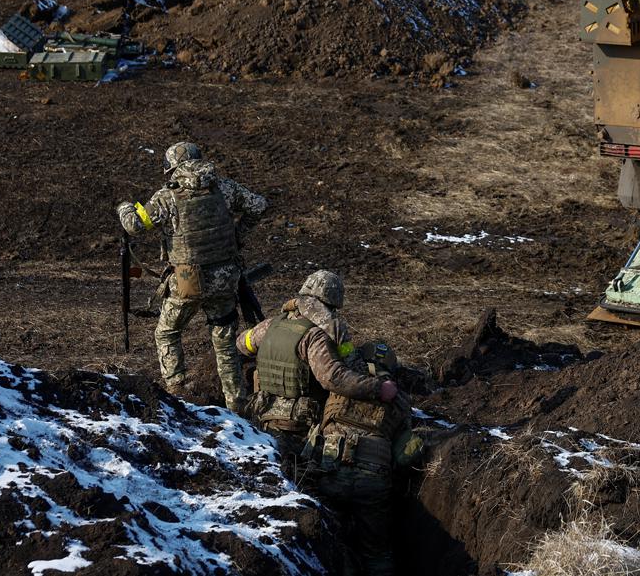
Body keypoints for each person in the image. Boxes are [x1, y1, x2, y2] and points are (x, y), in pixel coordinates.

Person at [116, 141, 266, 408]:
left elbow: (135, 225)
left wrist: (124, 207)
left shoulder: (167, 197)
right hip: (225, 276)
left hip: (187, 280)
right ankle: (236, 403)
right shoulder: (225, 188)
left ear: (172, 167)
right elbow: (259, 205)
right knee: (224, 342)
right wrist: (237, 236)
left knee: (167, 333)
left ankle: (177, 393)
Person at [236, 270, 397, 471]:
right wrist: (378, 387)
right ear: (330, 305)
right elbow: (333, 378)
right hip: (298, 428)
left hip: (261, 419)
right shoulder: (315, 336)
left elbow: (242, 343)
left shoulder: (270, 325)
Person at [309, 340, 423, 576]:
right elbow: (403, 455)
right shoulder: (399, 401)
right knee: (377, 551)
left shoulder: (341, 385)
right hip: (374, 478)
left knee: (330, 539)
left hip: (331, 469)